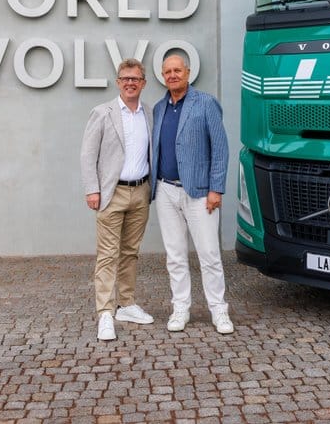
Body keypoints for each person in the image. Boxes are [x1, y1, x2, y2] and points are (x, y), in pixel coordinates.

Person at [151, 54, 233, 334]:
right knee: (175, 256)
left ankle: (219, 310)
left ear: (187, 72)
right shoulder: (159, 108)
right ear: (163, 76)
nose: (172, 75)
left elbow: (220, 148)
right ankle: (180, 308)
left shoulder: (206, 103)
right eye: (168, 71)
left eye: (177, 70)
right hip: (166, 190)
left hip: (200, 193)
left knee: (209, 254)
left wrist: (216, 189)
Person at [80, 58, 155, 341]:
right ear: (118, 82)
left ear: (143, 83)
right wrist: (92, 189)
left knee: (130, 252)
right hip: (112, 193)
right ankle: (105, 313)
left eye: (135, 79)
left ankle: (127, 304)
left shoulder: (150, 113)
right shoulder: (102, 113)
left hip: (141, 192)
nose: (130, 83)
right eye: (125, 78)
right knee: (108, 254)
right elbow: (88, 154)